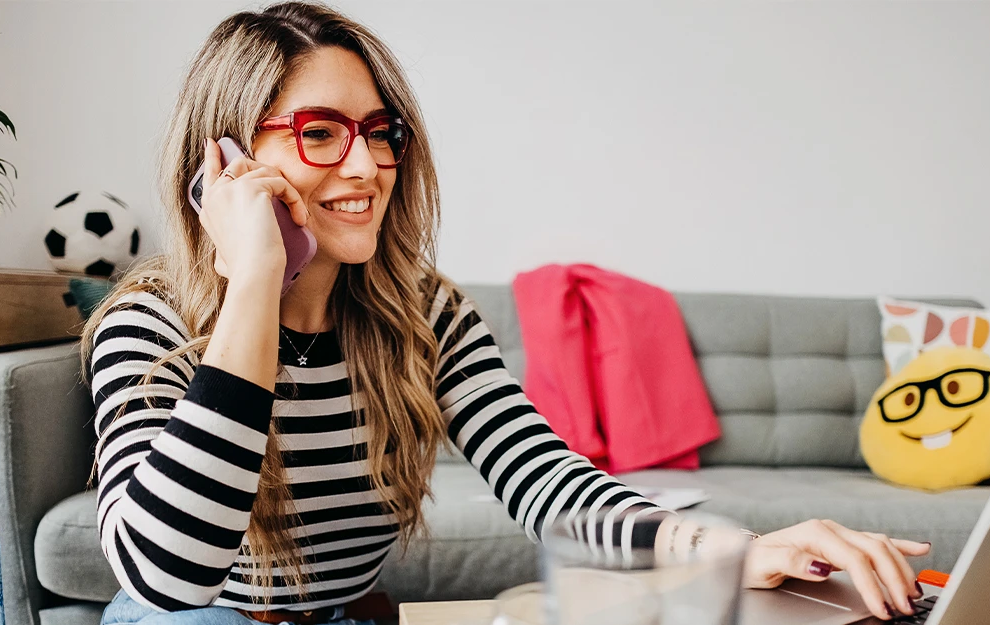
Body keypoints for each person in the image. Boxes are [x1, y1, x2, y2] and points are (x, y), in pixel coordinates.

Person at [82, 3, 930, 624]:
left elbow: (547, 483)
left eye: (381, 132)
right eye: (319, 132)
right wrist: (255, 282)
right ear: (225, 158)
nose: (368, 164)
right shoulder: (148, 324)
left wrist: (732, 546)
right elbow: (168, 572)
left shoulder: (424, 314)